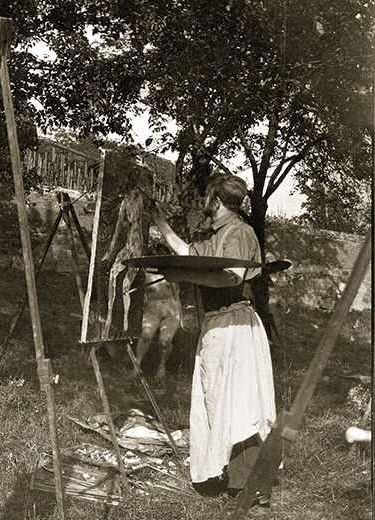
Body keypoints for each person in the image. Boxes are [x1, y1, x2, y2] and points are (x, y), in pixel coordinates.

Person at [150, 173, 276, 503]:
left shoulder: (239, 231)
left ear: (216, 202)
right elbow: (188, 253)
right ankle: (241, 480)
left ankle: (249, 487)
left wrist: (184, 274)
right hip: (218, 325)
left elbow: (230, 277)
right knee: (221, 400)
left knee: (238, 404)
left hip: (235, 323)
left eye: (208, 198)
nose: (205, 204)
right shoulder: (217, 233)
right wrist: (161, 224)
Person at [133, 243, 184, 380]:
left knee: (165, 340)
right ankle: (137, 364)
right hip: (152, 311)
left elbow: (176, 294)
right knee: (146, 334)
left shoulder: (169, 272)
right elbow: (139, 295)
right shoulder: (144, 273)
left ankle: (162, 366)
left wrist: (181, 316)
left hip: (170, 312)